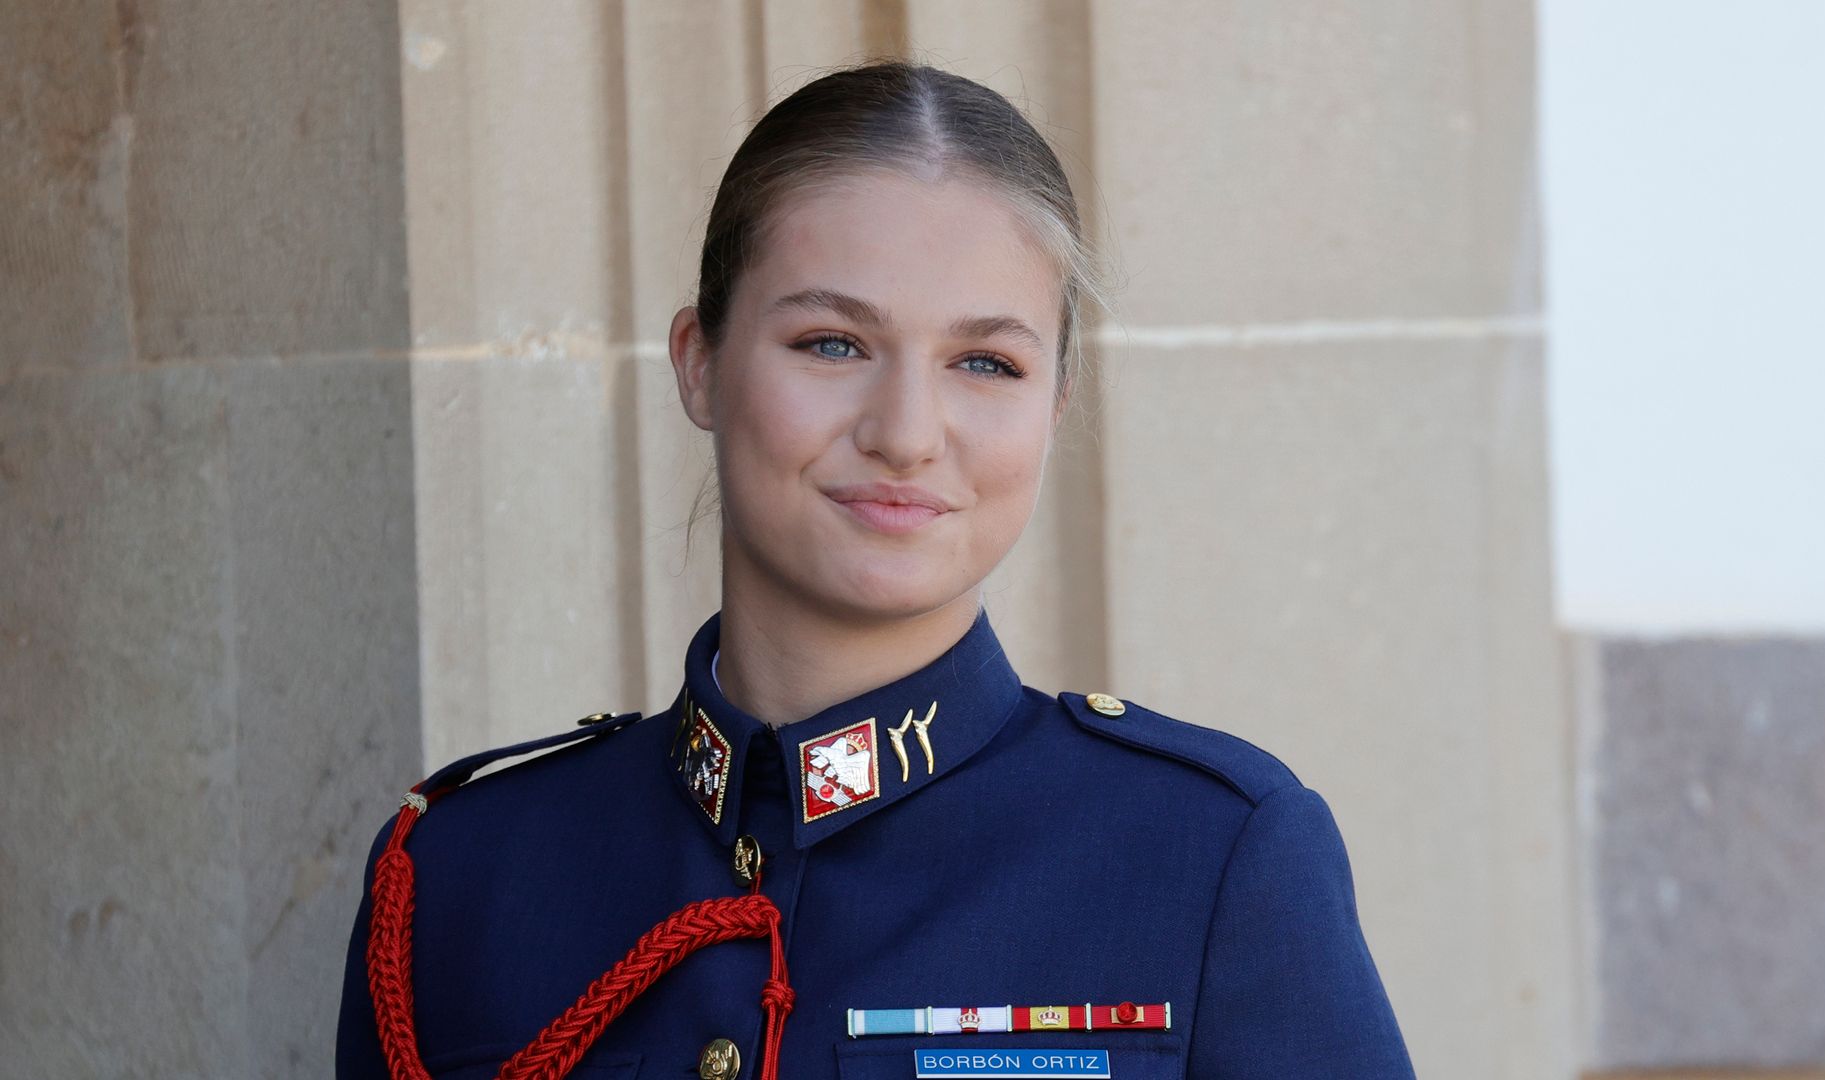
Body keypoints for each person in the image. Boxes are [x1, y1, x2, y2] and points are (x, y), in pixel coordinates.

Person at [335, 59, 1416, 1080]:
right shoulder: (460, 879)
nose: (907, 433)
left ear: (1057, 406)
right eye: (832, 344)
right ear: (699, 363)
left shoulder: (1208, 858)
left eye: (986, 363)